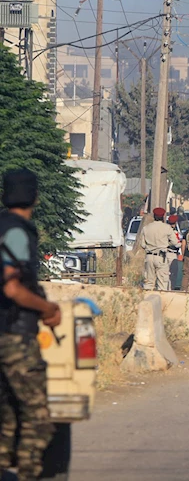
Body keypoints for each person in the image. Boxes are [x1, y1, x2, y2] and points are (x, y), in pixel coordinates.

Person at [0, 169, 62, 481]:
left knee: (8, 417)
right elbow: (12, 288)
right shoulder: (16, 232)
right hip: (13, 335)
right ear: (35, 197)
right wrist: (47, 308)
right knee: (38, 420)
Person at [139, 207, 179, 291]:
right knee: (162, 283)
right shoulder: (167, 228)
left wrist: (150, 247)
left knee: (149, 283)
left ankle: (148, 298)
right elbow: (175, 242)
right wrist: (166, 244)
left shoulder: (146, 228)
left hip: (149, 257)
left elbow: (142, 244)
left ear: (154, 216)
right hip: (161, 257)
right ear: (163, 216)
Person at [166, 214, 183, 291]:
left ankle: (165, 288)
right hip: (172, 253)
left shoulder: (164, 230)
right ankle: (170, 289)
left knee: (165, 273)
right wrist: (182, 244)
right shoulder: (174, 232)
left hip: (164, 253)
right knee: (172, 274)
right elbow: (177, 244)